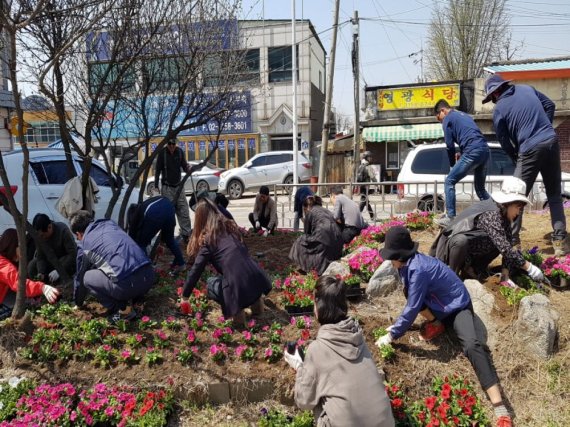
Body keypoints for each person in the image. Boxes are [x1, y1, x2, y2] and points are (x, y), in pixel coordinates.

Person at [377, 226, 513, 427]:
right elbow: (413, 302)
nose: (390, 261)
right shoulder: (406, 266)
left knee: (471, 345)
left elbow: (413, 307)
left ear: (400, 255)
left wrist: (393, 334)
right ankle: (436, 323)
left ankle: (500, 408)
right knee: (411, 294)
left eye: (391, 257)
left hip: (457, 306)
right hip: (439, 304)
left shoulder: (417, 269)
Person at [284, 275, 395, 427]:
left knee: (317, 398)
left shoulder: (318, 349)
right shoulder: (358, 337)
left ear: (318, 307)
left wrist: (299, 367)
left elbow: (304, 402)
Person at [483, 74, 568, 255]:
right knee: (554, 196)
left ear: (496, 92)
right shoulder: (527, 89)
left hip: (529, 149)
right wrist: (545, 127)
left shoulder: (499, 109)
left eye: (492, 98)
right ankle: (560, 241)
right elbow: (549, 105)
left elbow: (504, 139)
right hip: (551, 142)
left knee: (516, 196)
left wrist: (515, 154)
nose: (493, 101)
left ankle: (513, 244)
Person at [431, 177, 545, 284]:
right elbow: (505, 249)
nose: (519, 212)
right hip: (450, 250)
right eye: (518, 207)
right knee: (461, 241)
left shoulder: (503, 214)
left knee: (497, 242)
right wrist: (529, 267)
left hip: (470, 250)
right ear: (509, 203)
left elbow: (507, 244)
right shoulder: (492, 214)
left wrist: (505, 276)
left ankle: (473, 270)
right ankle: (451, 279)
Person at [183, 198, 271, 326]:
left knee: (211, 283)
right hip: (256, 276)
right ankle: (257, 308)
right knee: (241, 276)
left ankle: (238, 317)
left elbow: (196, 269)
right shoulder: (230, 227)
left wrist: (185, 295)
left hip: (237, 286)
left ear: (200, 219)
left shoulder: (209, 240)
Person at [70, 210, 155, 323]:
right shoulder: (109, 224)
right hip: (149, 276)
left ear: (78, 234)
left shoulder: (84, 244)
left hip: (128, 285)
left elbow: (80, 277)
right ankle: (137, 300)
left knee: (87, 277)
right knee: (115, 266)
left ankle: (123, 311)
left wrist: (78, 303)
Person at [433, 99, 491, 228]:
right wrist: (463, 153)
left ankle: (450, 217)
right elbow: (471, 135)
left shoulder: (448, 118)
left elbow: (449, 146)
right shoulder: (464, 115)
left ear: (442, 111)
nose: (440, 121)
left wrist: (452, 164)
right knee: (480, 189)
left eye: (439, 118)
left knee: (449, 181)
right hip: (485, 150)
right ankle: (497, 213)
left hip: (473, 151)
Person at [0, 229, 59, 320]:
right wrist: (41, 287)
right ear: (13, 246)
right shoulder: (3, 265)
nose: (23, 252)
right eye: (21, 247)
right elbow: (19, 283)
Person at [126, 196, 185, 274]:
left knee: (141, 243)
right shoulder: (144, 205)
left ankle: (147, 272)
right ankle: (181, 264)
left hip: (155, 213)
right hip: (168, 207)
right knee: (170, 240)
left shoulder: (137, 218)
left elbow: (136, 238)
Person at [289, 196, 343, 275]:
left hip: (323, 236)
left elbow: (307, 232)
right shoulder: (326, 210)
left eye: (304, 210)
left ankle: (306, 266)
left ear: (306, 207)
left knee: (301, 240)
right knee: (319, 244)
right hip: (338, 240)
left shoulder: (310, 212)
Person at [154, 138, 193, 243]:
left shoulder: (180, 152)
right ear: (167, 144)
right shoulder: (162, 153)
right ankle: (167, 237)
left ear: (176, 143)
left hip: (179, 187)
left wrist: (188, 168)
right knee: (168, 213)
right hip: (167, 187)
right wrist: (156, 185)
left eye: (173, 144)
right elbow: (157, 170)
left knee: (184, 211)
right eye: (169, 143)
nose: (171, 146)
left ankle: (186, 235)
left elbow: (184, 165)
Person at [28, 213, 77, 283]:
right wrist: (41, 272)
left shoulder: (63, 230)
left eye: (43, 235)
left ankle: (63, 286)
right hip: (50, 263)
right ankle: (39, 286)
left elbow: (73, 254)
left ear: (49, 227)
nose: (42, 238)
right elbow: (40, 256)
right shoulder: (39, 237)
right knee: (32, 266)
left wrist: (59, 270)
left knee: (63, 261)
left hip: (65, 264)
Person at [358, 151, 378, 221]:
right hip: (366, 186)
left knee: (366, 201)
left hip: (361, 186)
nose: (371, 159)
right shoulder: (368, 166)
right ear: (367, 158)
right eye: (370, 157)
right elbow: (372, 177)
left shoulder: (360, 165)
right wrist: (377, 184)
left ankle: (372, 215)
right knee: (364, 201)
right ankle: (356, 215)